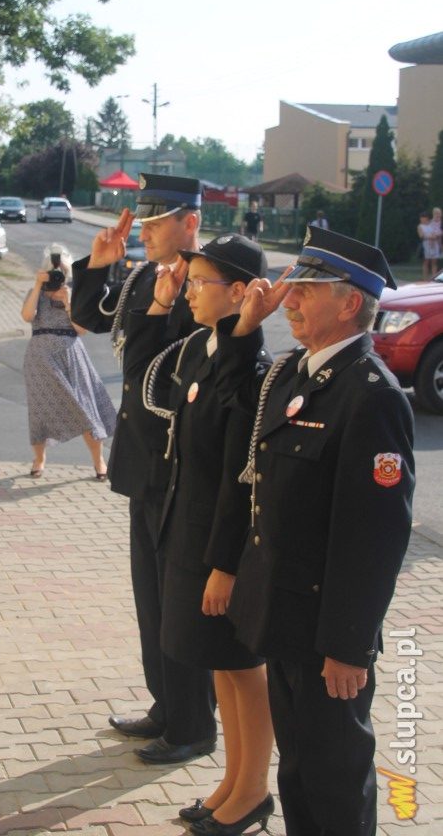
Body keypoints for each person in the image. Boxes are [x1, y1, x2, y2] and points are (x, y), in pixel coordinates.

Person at [212, 226, 415, 836]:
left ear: (350, 302)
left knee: (335, 777)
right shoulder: (296, 375)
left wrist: (349, 643)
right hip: (285, 615)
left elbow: (376, 536)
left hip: (330, 634)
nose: (289, 298)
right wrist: (245, 325)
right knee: (297, 770)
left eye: (305, 287)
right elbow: (230, 400)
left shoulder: (370, 395)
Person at [121, 235, 276, 835]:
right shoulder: (200, 352)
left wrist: (225, 565)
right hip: (189, 538)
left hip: (221, 549)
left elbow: (239, 480)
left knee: (242, 667)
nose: (189, 289)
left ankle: (253, 790)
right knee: (219, 665)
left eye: (201, 281)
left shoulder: (250, 371)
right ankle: (233, 784)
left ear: (239, 292)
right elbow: (146, 394)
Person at [71, 174, 217, 765]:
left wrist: (162, 306)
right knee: (150, 598)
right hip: (143, 464)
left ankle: (193, 726)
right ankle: (166, 705)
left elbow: (158, 366)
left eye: (160, 223)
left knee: (178, 601)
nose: (149, 232)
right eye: (145, 222)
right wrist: (100, 264)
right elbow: (89, 318)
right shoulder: (141, 276)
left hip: (183, 466)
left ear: (191, 223)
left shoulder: (208, 284)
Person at [21, 244, 116, 479]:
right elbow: (26, 316)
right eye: (53, 270)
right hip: (40, 357)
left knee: (85, 408)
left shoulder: (73, 293)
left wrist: (69, 303)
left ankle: (99, 461)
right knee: (40, 410)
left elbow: (81, 329)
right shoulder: (37, 292)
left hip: (72, 356)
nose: (57, 275)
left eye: (61, 270)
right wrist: (37, 285)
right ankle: (40, 459)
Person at [418, 209, 441, 280]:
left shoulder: (431, 224)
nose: (423, 220)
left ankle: (434, 278)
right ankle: (425, 278)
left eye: (424, 218)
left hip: (435, 244)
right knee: (426, 262)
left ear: (427, 218)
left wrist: (435, 236)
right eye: (422, 219)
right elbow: (421, 235)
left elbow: (437, 231)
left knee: (434, 262)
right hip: (426, 245)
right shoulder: (420, 226)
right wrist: (430, 237)